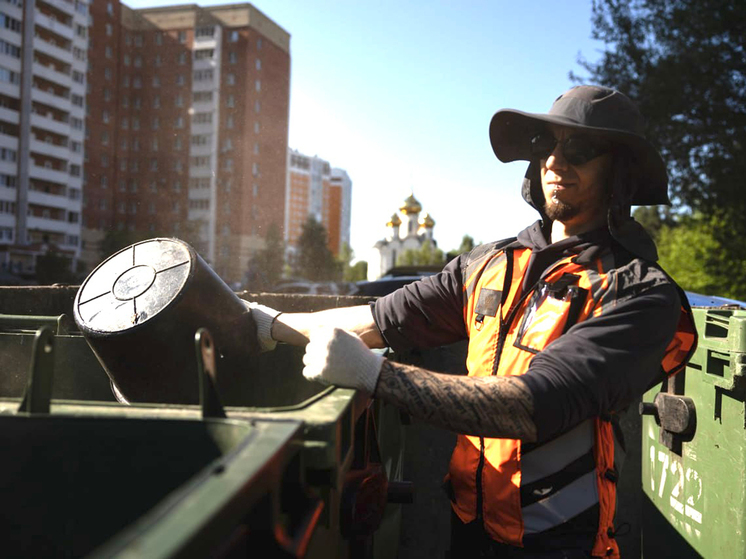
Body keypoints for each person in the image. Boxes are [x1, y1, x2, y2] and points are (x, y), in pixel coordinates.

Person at [248, 85, 697, 558]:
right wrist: (269, 323)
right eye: (546, 145)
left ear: (618, 172)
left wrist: (372, 375)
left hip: (558, 544)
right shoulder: (490, 265)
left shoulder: (639, 292)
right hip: (467, 526)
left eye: (580, 149)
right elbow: (379, 319)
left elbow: (535, 405)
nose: (554, 162)